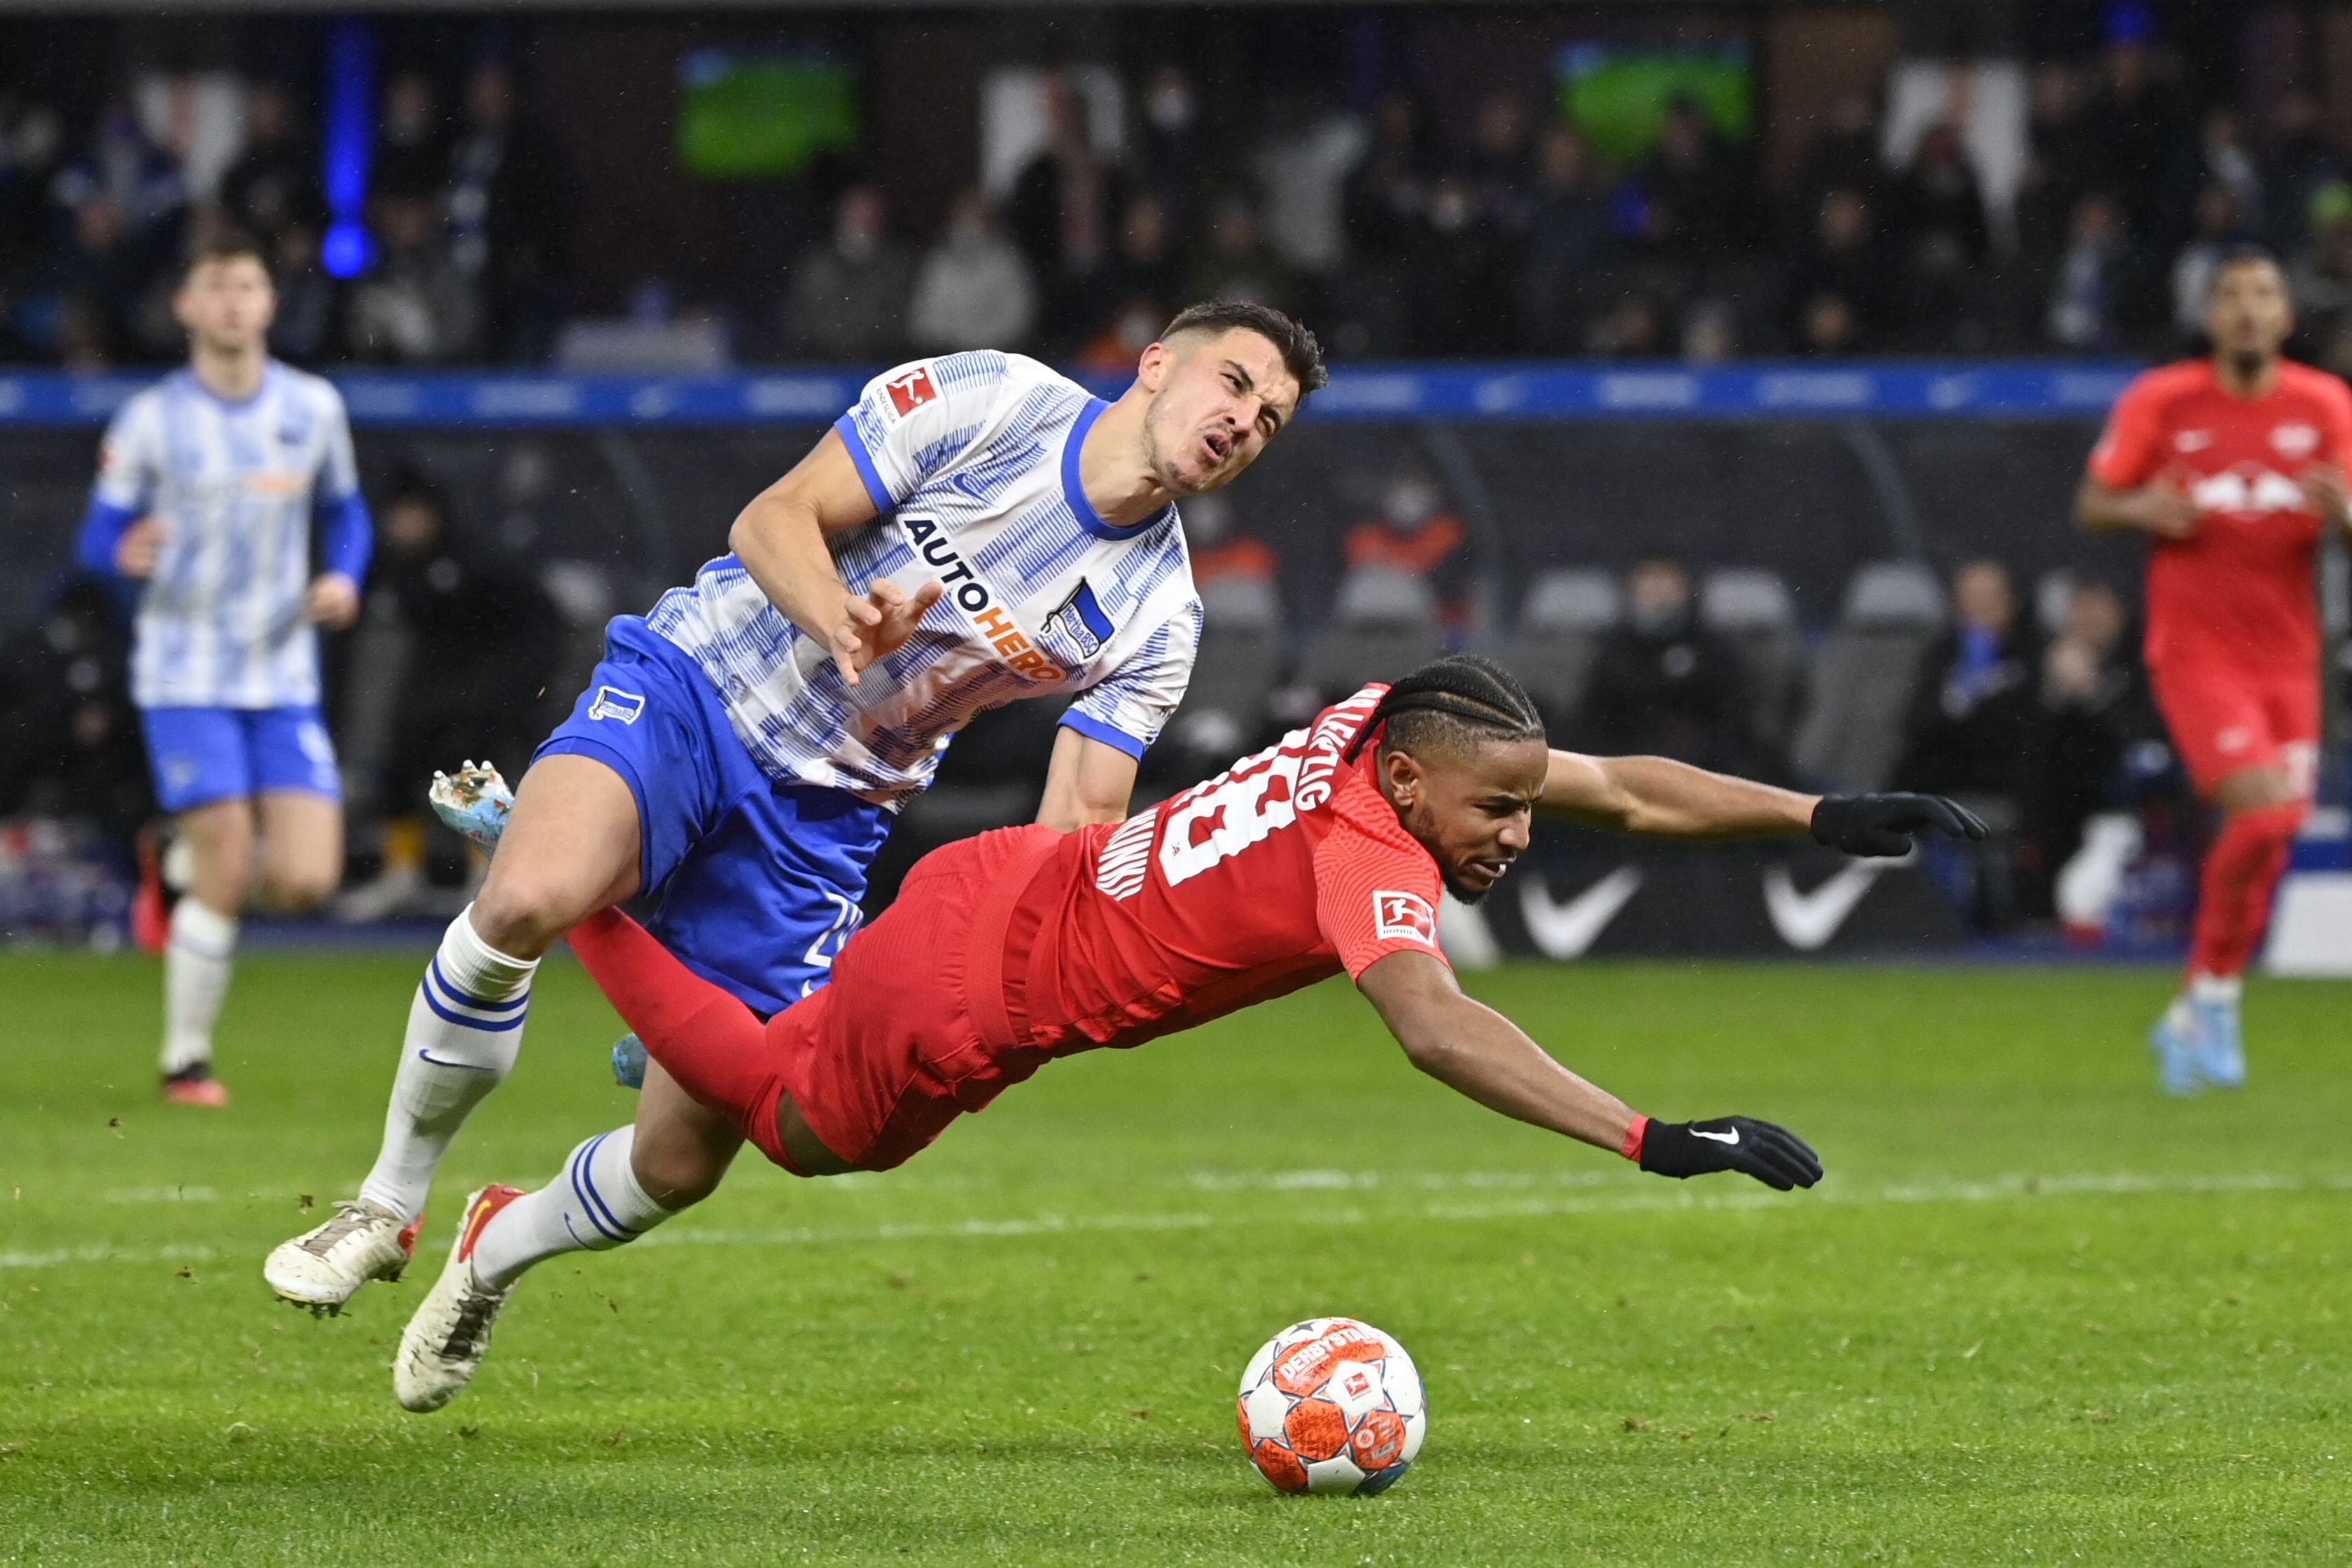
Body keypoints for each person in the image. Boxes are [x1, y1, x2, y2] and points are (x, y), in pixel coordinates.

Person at [390, 656, 1985, 1410]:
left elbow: (1624, 780)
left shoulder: (1383, 718)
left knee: (747, 1098)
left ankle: (675, 986)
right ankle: (581, 907)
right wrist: (1652, 1136)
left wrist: (1817, 810)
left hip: (998, 885)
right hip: (979, 998)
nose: (1515, 832)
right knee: (783, 1125)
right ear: (1420, 789)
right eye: (1497, 810)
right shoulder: (1371, 860)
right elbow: (1433, 1028)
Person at [263, 301, 1326, 1313]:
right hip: (702, 685)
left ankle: (495, 1247)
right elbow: (774, 517)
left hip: (827, 821)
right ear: (1157, 366)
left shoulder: (1162, 615)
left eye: (1270, 420)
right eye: (1233, 383)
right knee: (526, 898)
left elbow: (1077, 826)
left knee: (687, 1163)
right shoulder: (994, 400)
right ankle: (387, 1205)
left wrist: (1019, 977)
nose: (1243, 421)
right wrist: (840, 617)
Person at [73, 231, 371, 1105]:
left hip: (281, 674)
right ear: (188, 307)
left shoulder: (313, 408)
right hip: (185, 671)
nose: (234, 301)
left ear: (269, 303)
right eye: (217, 287)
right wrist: (120, 549)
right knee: (232, 871)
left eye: (248, 285)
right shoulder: (152, 420)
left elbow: (348, 515)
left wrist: (343, 577)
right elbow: (98, 536)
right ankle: (186, 1063)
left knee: (308, 878)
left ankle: (172, 859)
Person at [2078, 249, 2352, 1093]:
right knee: (2266, 818)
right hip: (2197, 652)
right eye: (2230, 295)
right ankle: (2216, 991)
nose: (2245, 308)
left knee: (2271, 840)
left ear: (2283, 316)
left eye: (2262, 294)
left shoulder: (2325, 403)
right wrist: (2139, 507)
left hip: (2290, 658)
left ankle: (2200, 997)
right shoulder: (2163, 400)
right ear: (2210, 316)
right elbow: (2092, 504)